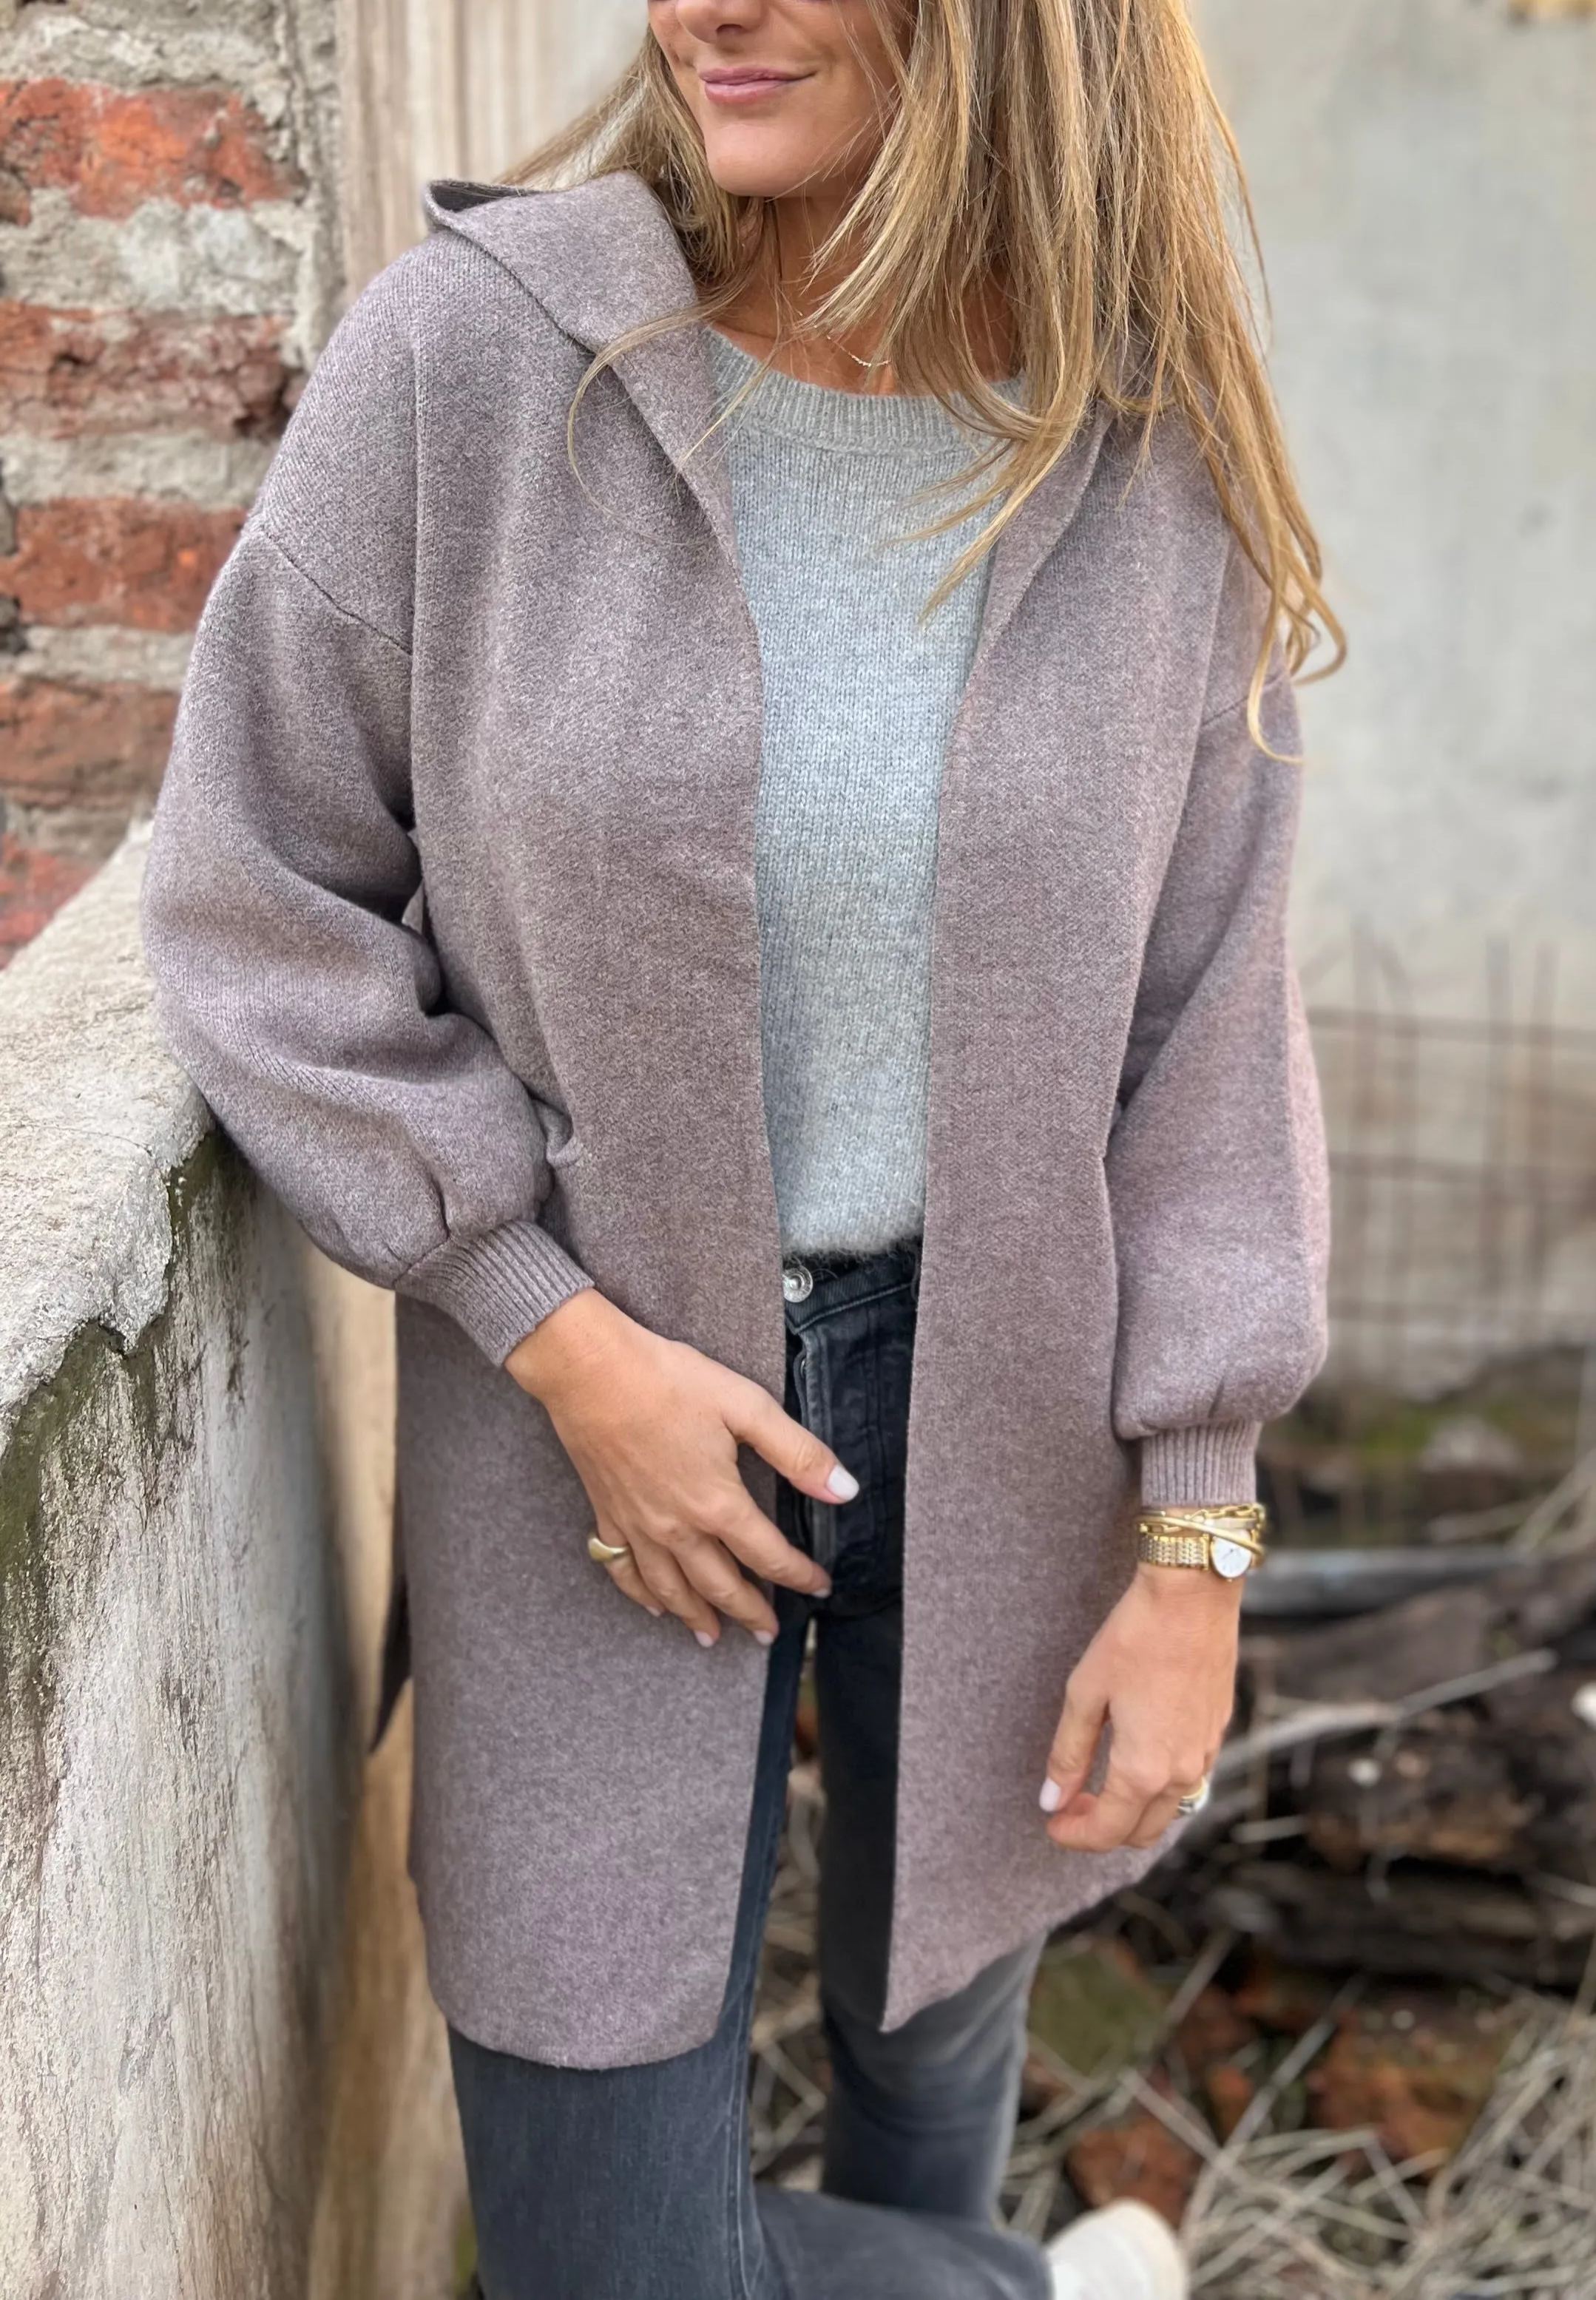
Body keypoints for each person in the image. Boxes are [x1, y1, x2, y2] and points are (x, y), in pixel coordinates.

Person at [141, 0, 1338, 2293]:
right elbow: (252, 896)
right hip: (592, 1440)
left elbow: (1205, 1030)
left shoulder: (1142, 447)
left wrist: (1199, 1536)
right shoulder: (473, 366)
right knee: (604, 2254)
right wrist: (549, 1328)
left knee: (931, 2086)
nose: (712, 5)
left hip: (1016, 1425)